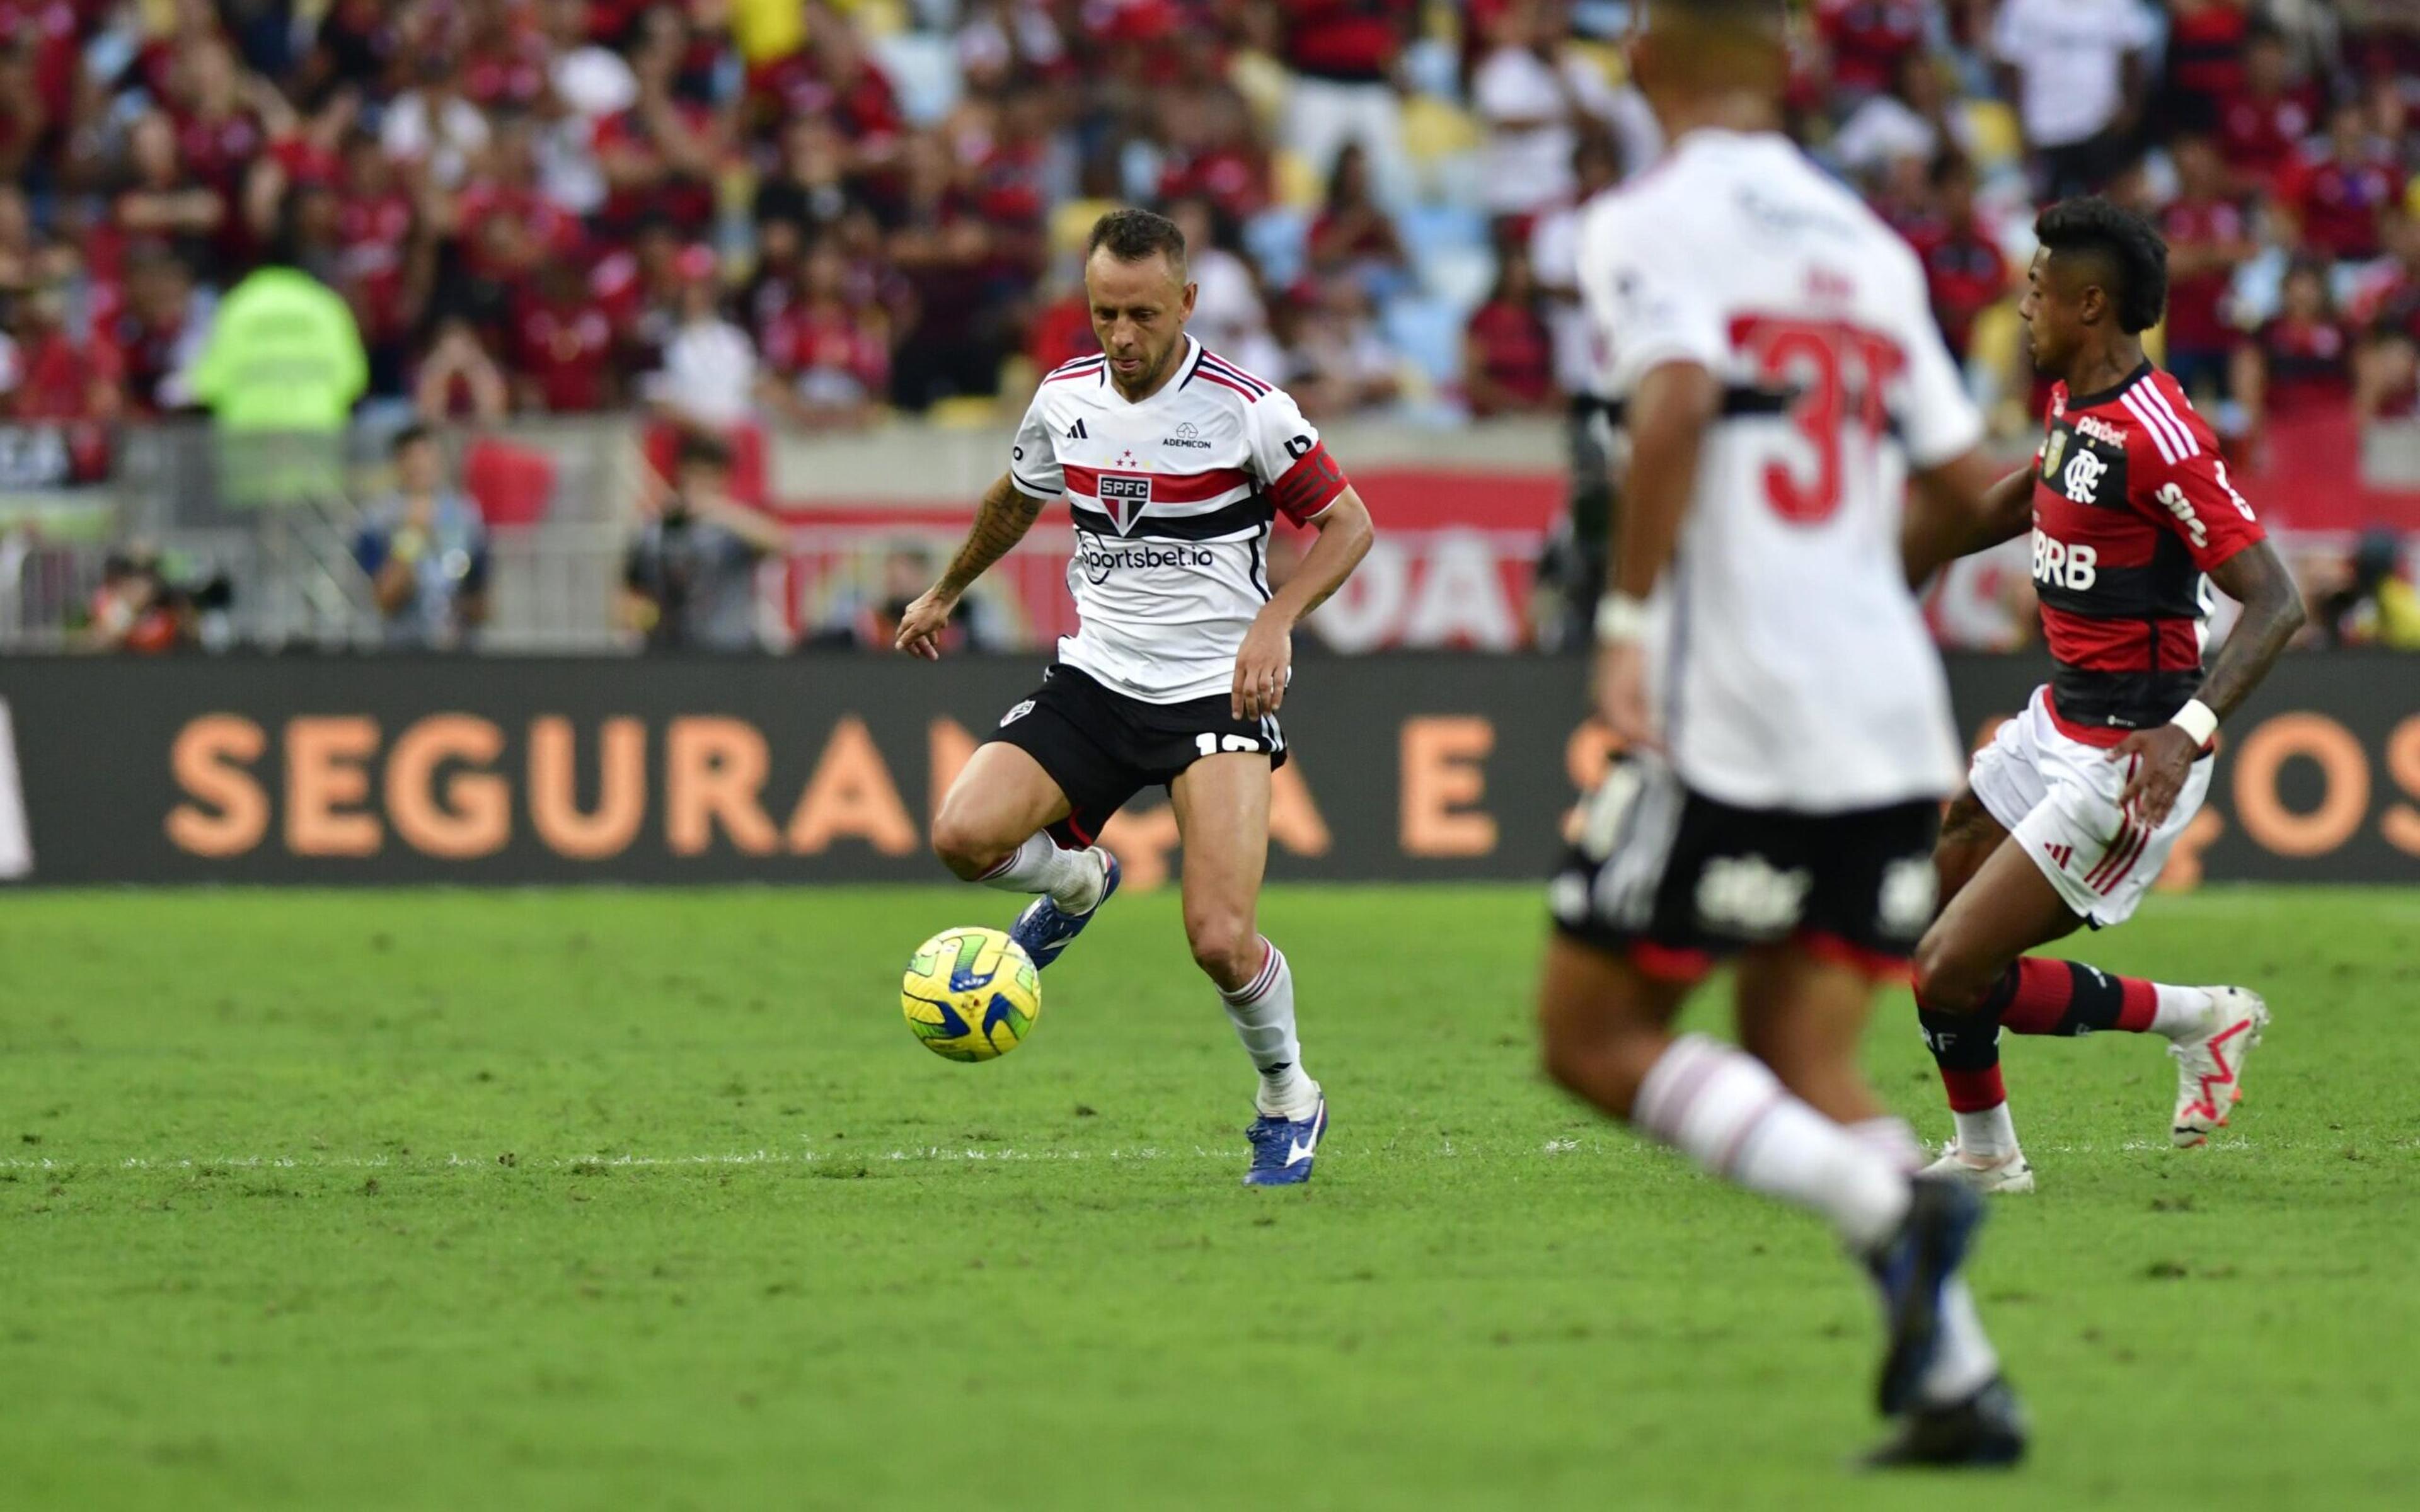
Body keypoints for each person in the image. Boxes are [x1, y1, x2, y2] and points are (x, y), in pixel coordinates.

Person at [1545, 0, 2023, 1468]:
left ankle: (1892, 1205)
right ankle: (1958, 1381)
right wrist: (1844, 589)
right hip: (1882, 700)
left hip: (1736, 704)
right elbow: (1956, 483)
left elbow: (1678, 391)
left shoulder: (1641, 221)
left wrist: (1623, 627)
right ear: (1788, 66)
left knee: (1590, 1033)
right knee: (1801, 1054)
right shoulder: (1865, 246)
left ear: (1644, 57)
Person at [898, 209, 1376, 1188]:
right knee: (960, 838)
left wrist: (1275, 620)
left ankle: (1288, 1095)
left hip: (1214, 698)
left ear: (1188, 303)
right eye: (1104, 313)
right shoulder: (1066, 395)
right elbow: (1015, 498)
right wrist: (948, 589)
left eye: (1143, 315)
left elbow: (1348, 526)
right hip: (1096, 681)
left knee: (1218, 939)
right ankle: (1078, 882)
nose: (1121, 336)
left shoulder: (1251, 410)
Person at [1906, 198, 2305, 1195]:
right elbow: (2032, 489)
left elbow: (2277, 602)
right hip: (2060, 718)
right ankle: (2202, 1018)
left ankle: (1989, 1159)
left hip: (2128, 757)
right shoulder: (2076, 404)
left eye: (2036, 291)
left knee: (1948, 971)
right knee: (1937, 929)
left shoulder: (2161, 436)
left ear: (2089, 305)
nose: (2022, 306)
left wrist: (2188, 733)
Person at [621, 432, 787, 652]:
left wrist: (719, 510)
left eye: (711, 476)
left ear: (724, 479)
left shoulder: (735, 530)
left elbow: (780, 543)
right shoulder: (654, 533)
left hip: (731, 652)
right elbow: (630, 595)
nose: (702, 484)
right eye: (696, 474)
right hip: (670, 653)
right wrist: (642, 617)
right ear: (681, 473)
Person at [353, 424, 491, 650]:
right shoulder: (377, 519)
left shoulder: (465, 515)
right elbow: (384, 598)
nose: (421, 466)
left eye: (427, 458)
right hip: (401, 649)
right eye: (412, 460)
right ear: (399, 464)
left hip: (459, 650)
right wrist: (413, 536)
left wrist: (456, 607)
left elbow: (480, 598)